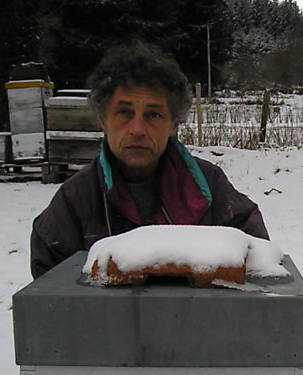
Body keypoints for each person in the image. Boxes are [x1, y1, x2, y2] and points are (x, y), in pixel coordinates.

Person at [30, 43, 269, 278]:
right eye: (124, 112)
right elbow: (51, 296)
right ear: (103, 120)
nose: (137, 129)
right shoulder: (75, 201)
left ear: (174, 125)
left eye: (153, 115)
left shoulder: (210, 186)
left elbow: (258, 263)